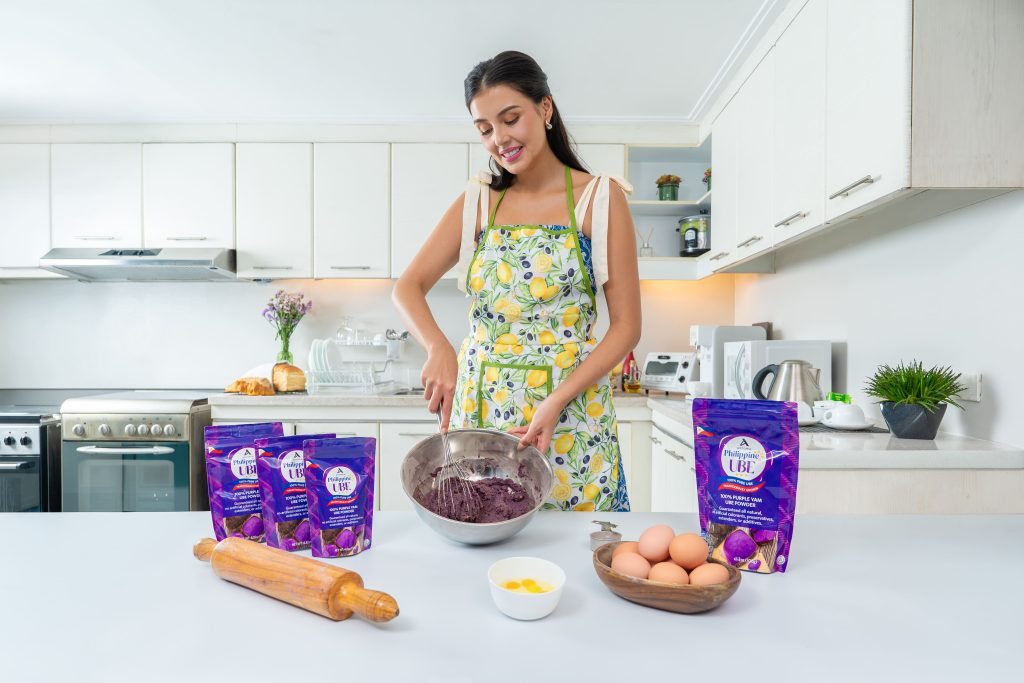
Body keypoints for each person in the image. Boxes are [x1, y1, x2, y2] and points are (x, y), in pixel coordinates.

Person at [392, 50, 641, 511]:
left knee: (574, 537)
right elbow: (407, 287)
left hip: (569, 414)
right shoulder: (478, 202)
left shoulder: (598, 198)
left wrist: (556, 400)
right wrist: (438, 347)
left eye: (510, 119)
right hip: (481, 410)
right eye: (485, 129)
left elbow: (626, 328)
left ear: (545, 108)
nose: (499, 139)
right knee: (482, 527)